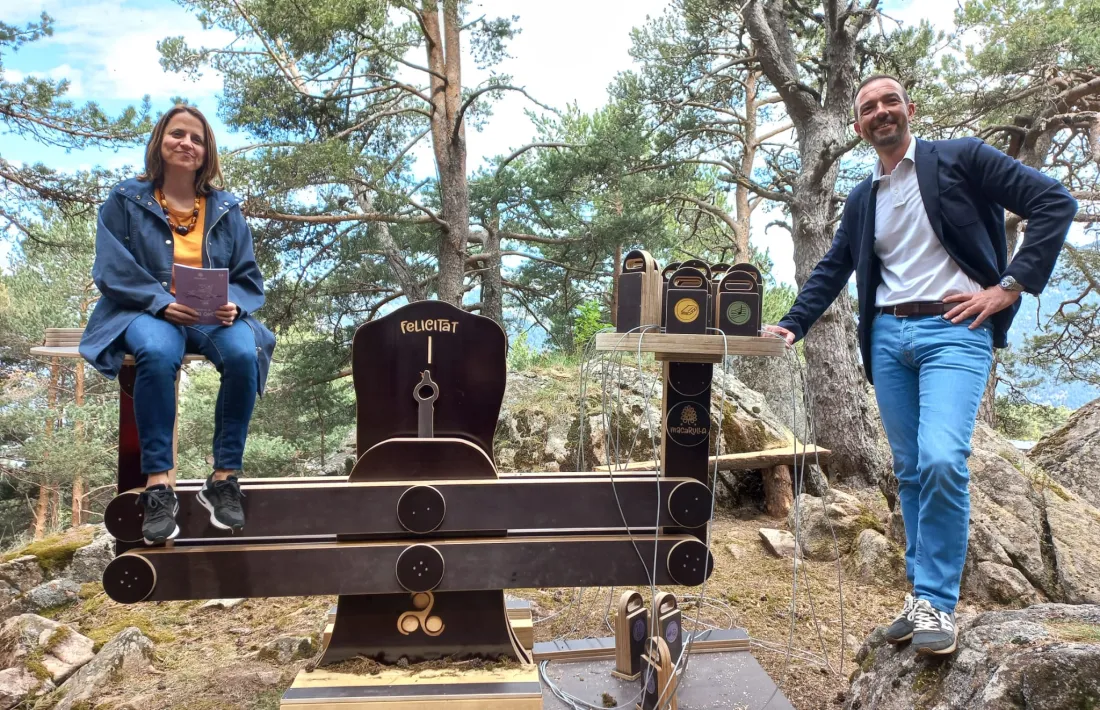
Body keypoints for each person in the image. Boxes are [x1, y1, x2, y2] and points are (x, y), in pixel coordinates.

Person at [764, 75, 1077, 655]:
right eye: (867, 108)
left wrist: (1009, 286)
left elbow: (1055, 201)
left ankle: (938, 599)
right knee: (909, 470)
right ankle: (921, 595)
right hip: (887, 339)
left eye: (889, 102)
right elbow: (833, 268)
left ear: (909, 109)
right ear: (858, 126)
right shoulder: (864, 199)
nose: (880, 113)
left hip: (955, 331)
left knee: (941, 458)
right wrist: (793, 324)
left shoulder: (962, 159)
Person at [80, 105, 276, 545]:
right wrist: (161, 302)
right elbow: (111, 270)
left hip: (211, 319)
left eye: (197, 139)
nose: (187, 144)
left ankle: (224, 478)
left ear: (207, 153)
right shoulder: (125, 200)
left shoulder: (227, 209)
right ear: (160, 141)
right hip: (145, 312)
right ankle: (159, 485)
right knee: (157, 352)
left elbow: (249, 279)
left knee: (245, 353)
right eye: (178, 134)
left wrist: (235, 306)